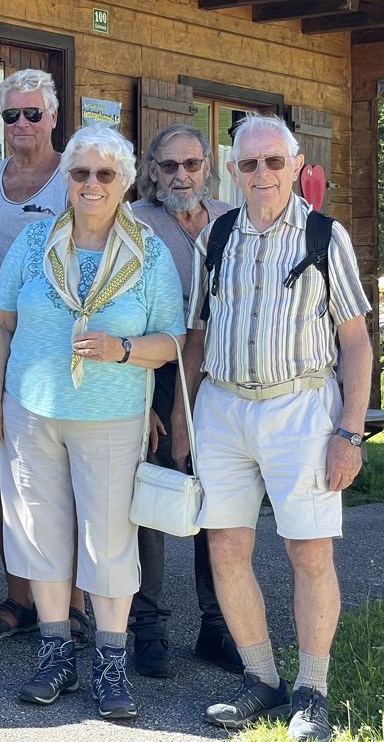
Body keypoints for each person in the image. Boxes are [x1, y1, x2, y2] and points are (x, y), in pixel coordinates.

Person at [0, 125, 183, 719]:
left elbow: (172, 340)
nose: (91, 184)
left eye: (104, 174)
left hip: (111, 416)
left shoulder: (147, 251)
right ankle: (55, 654)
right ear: (65, 179)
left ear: (123, 182)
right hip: (31, 410)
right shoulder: (35, 241)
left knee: (109, 540)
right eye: (79, 173)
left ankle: (110, 664)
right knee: (42, 533)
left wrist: (121, 349)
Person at [181, 114, 372, 741]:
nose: (260, 174)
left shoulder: (325, 236)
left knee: (308, 550)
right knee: (225, 548)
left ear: (295, 166)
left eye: (272, 162)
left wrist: (348, 432)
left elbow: (355, 342)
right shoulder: (217, 235)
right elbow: (198, 332)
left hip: (301, 408)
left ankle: (312, 690)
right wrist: (184, 423)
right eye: (247, 164)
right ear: (232, 172)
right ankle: (261, 679)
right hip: (222, 407)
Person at [0, 68, 92, 647]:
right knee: (6, 482)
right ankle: (20, 599)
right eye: (10, 114)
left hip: (64, 353)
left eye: (32, 113)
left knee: (70, 481)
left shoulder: (77, 176)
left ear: (53, 116)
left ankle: (76, 604)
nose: (20, 124)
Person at [129, 123, 241, 678]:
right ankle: (147, 630)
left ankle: (217, 628)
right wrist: (144, 398)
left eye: (191, 164)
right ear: (153, 170)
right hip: (157, 377)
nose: (181, 175)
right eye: (169, 166)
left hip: (224, 380)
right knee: (152, 502)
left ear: (208, 168)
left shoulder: (234, 221)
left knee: (218, 504)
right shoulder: (135, 224)